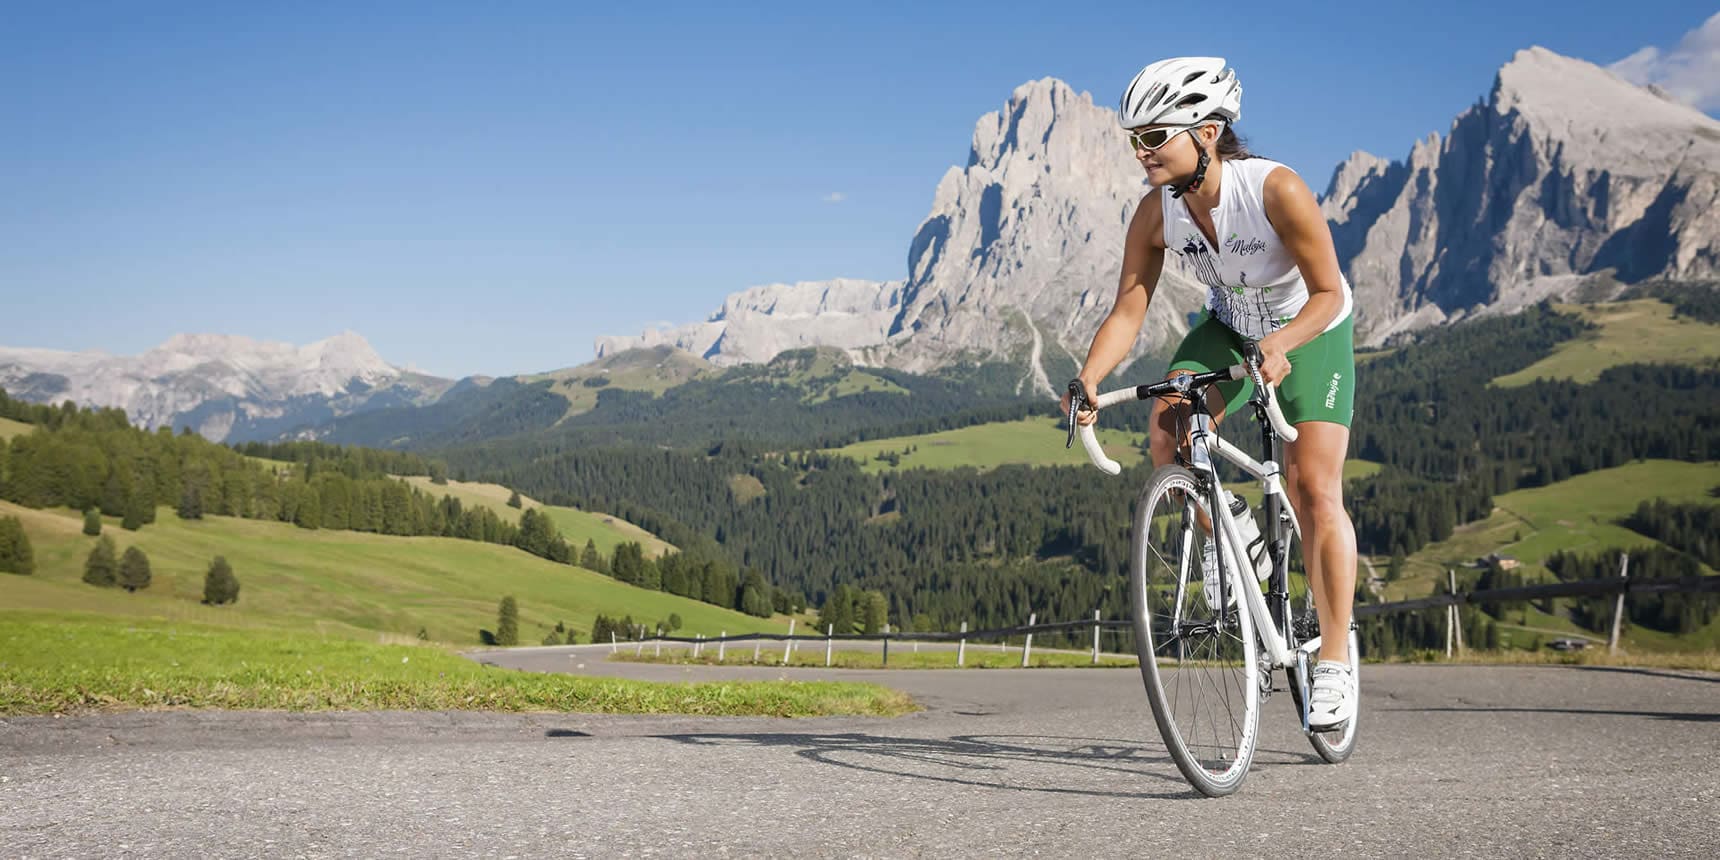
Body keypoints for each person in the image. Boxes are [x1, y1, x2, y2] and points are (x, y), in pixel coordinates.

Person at [1058, 57, 1358, 730]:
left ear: (1209, 133)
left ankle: (1333, 659)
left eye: (1157, 135)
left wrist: (1282, 346)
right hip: (1229, 326)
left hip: (1307, 326)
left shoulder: (1274, 189)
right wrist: (1089, 380)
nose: (1143, 151)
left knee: (1313, 487)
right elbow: (1130, 306)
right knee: (1167, 426)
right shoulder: (1157, 212)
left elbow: (1329, 291)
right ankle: (1233, 534)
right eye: (1135, 137)